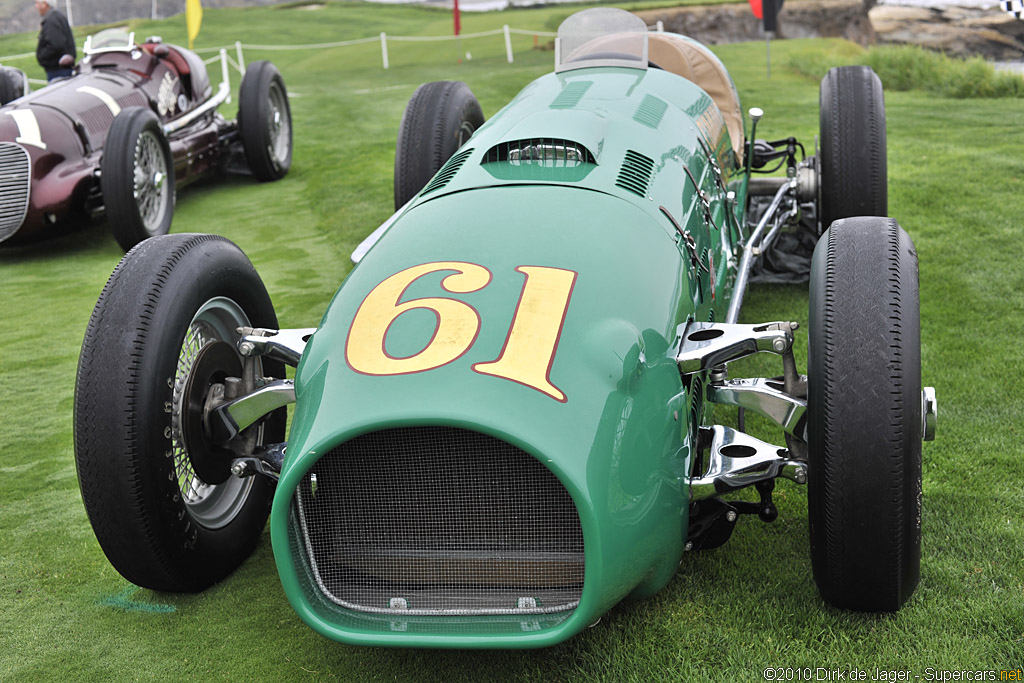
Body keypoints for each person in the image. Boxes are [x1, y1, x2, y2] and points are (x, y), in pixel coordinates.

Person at [34, 0, 76, 81]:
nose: (36, 7)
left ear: (44, 4)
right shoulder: (56, 16)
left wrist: (42, 56)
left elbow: (56, 44)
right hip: (61, 68)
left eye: (37, 3)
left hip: (57, 70)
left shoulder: (51, 20)